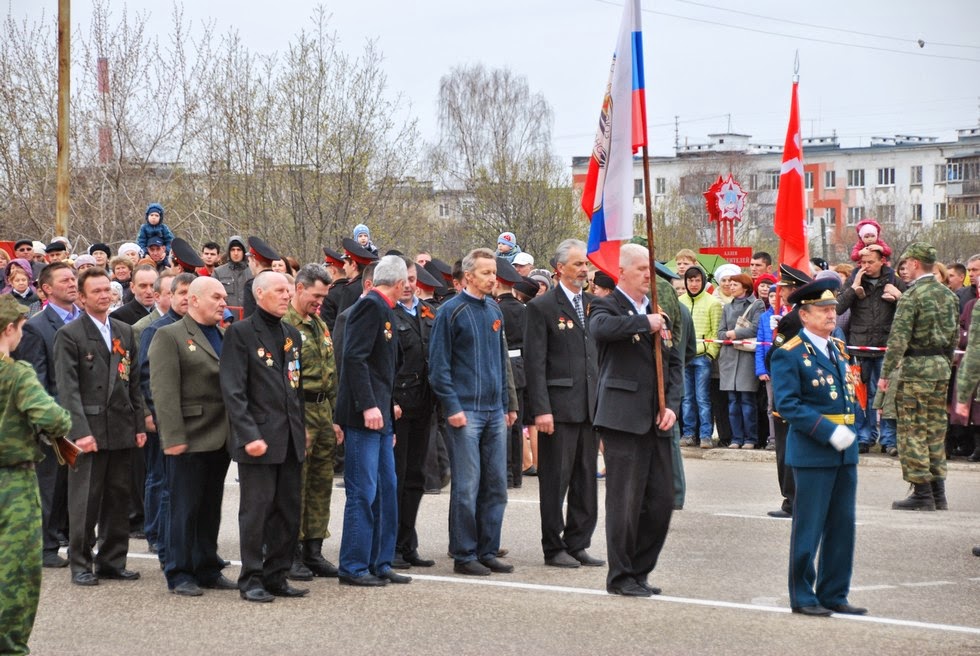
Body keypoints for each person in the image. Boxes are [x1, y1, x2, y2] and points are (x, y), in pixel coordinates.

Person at [588, 244, 681, 597]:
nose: (647, 275)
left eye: (649, 269)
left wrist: (672, 405)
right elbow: (601, 330)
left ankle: (640, 570)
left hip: (658, 420)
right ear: (622, 272)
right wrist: (644, 323)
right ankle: (621, 576)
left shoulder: (659, 311)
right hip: (622, 418)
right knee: (624, 502)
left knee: (661, 501)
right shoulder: (607, 304)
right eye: (641, 268)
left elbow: (675, 364)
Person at [771, 276, 866, 618]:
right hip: (814, 449)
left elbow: (848, 393)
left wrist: (853, 428)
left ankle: (834, 592)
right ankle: (802, 595)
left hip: (845, 449)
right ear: (804, 314)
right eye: (823, 309)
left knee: (842, 525)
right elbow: (788, 405)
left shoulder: (837, 347)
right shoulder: (790, 353)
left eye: (832, 308)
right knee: (809, 526)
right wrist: (829, 432)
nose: (831, 314)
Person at [54, 268, 147, 586]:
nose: (104, 295)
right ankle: (80, 562)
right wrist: (79, 432)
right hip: (88, 428)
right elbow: (68, 390)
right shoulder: (70, 334)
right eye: (96, 291)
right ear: (81, 298)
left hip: (121, 425)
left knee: (119, 498)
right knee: (85, 501)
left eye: (107, 289)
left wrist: (139, 424)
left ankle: (112, 560)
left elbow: (133, 383)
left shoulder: (124, 331)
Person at [429, 248, 517, 576]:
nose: (493, 278)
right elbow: (438, 366)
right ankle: (464, 554)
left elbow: (501, 361)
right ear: (468, 276)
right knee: (467, 487)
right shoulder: (450, 312)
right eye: (486, 273)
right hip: (465, 411)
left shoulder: (494, 309)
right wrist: (452, 406)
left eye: (494, 272)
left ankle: (487, 549)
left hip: (495, 412)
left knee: (496, 486)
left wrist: (508, 405)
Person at [220, 271, 308, 602]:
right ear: (259, 294)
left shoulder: (291, 334)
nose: (287, 295)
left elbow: (295, 386)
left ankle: (277, 574)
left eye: (289, 290)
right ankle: (252, 578)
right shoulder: (241, 333)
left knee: (288, 511)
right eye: (280, 290)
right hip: (258, 437)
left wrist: (301, 428)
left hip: (289, 438)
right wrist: (248, 435)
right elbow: (233, 390)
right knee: (256, 512)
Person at [149, 277, 236, 596]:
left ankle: (207, 567)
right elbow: (164, 391)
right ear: (195, 300)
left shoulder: (223, 335)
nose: (223, 303)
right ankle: (179, 571)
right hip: (189, 435)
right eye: (217, 297)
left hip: (220, 436)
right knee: (183, 508)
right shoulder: (169, 335)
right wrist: (172, 437)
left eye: (224, 297)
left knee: (210, 506)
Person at [524, 239, 603, 569]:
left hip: (590, 406)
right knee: (556, 481)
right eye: (577, 264)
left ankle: (578, 542)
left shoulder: (593, 305)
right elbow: (534, 362)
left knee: (586, 480)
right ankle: (553, 546)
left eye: (586, 264)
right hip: (558, 409)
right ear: (560, 268)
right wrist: (541, 409)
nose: (584, 270)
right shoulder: (542, 307)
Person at [0, 295, 72, 654]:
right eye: (20, 327)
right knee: (17, 571)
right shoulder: (16, 374)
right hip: (12, 482)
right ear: (8, 330)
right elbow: (52, 418)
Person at [334, 255, 409, 586]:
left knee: (386, 490)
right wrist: (368, 405)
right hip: (363, 417)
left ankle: (380, 561)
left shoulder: (386, 309)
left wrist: (388, 406)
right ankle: (353, 565)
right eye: (407, 282)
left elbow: (384, 369)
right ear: (399, 283)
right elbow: (355, 358)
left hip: (381, 418)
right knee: (363, 491)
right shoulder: (369, 306)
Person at [880, 243, 959, 511]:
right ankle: (938, 492)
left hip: (915, 370)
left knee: (912, 431)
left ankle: (922, 493)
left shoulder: (912, 296)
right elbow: (953, 338)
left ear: (915, 263)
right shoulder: (948, 295)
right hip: (940, 368)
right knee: (935, 431)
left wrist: (886, 373)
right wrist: (944, 363)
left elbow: (898, 339)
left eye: (906, 263)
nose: (904, 268)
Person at [12, 262, 80, 567]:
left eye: (73, 278)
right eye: (64, 280)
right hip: (53, 421)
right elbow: (36, 380)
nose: (72, 283)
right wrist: (49, 421)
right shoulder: (36, 327)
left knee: (74, 488)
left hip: (84, 417)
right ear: (46, 289)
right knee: (50, 485)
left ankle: (73, 540)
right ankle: (46, 547)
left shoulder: (85, 321)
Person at [282, 264, 340, 580]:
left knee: (321, 483)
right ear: (300, 288)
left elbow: (332, 373)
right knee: (296, 486)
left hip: (323, 412)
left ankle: (313, 551)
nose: (320, 302)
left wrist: (335, 418)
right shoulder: (285, 324)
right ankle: (289, 552)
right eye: (316, 296)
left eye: (324, 297)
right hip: (299, 410)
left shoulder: (319, 324)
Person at [390, 262, 441, 569]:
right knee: (396, 478)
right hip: (398, 408)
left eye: (412, 279)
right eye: (403, 280)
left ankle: (408, 542)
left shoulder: (429, 312)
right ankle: (393, 545)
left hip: (424, 405)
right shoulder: (387, 313)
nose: (408, 285)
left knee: (416, 477)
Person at [835, 247, 904, 455]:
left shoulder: (894, 280)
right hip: (859, 347)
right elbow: (838, 308)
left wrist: (899, 296)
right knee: (860, 395)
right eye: (862, 263)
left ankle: (888, 439)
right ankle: (864, 437)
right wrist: (853, 289)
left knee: (886, 395)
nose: (866, 266)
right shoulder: (855, 278)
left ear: (882, 261)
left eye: (870, 262)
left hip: (886, 347)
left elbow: (910, 309)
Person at [718, 273, 763, 449]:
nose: (730, 287)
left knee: (747, 400)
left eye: (735, 284)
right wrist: (728, 335)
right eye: (730, 284)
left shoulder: (756, 304)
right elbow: (720, 332)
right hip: (729, 358)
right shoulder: (727, 307)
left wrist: (733, 334)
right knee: (732, 402)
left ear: (745, 287)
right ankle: (736, 438)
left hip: (746, 358)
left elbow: (756, 328)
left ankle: (751, 438)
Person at [679, 265, 721, 449]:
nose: (694, 284)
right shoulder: (680, 301)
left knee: (702, 398)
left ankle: (705, 435)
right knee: (687, 398)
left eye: (697, 280)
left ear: (703, 281)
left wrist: (710, 353)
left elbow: (716, 332)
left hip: (703, 356)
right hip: (684, 357)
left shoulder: (713, 302)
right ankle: (689, 434)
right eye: (690, 280)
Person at [241, 236, 279, 319]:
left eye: (249, 261)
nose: (249, 264)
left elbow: (249, 317)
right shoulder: (282, 281)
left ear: (254, 261)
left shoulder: (252, 285)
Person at [213, 236, 252, 311]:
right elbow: (214, 297)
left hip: (249, 316)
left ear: (244, 252)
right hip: (226, 316)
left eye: (239, 250)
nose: (236, 253)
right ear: (229, 252)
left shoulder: (253, 271)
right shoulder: (218, 272)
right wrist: (226, 316)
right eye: (232, 250)